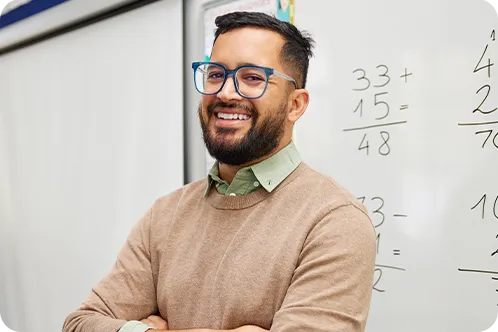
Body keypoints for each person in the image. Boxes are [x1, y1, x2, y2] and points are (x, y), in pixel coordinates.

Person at [63, 11, 376, 332]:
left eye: (252, 78)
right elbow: (80, 324)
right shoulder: (165, 215)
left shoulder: (334, 220)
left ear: (296, 104)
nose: (226, 93)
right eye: (215, 74)